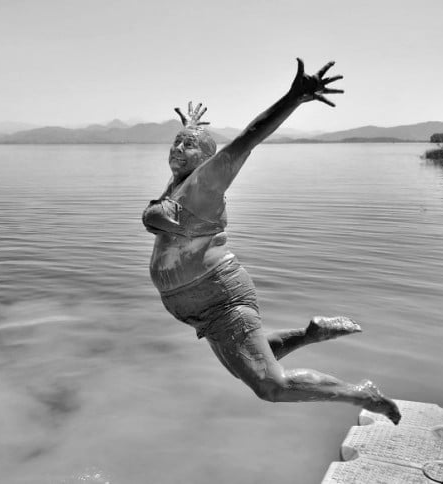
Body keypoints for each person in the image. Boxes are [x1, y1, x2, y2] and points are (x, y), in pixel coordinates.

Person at [142, 58, 401, 424]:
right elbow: (178, 184)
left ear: (208, 159)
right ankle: (311, 332)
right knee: (247, 366)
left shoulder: (208, 181)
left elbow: (249, 138)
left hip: (219, 297)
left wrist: (293, 98)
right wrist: (193, 129)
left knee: (271, 386)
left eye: (188, 145)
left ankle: (363, 395)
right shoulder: (178, 185)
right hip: (199, 308)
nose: (177, 149)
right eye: (175, 143)